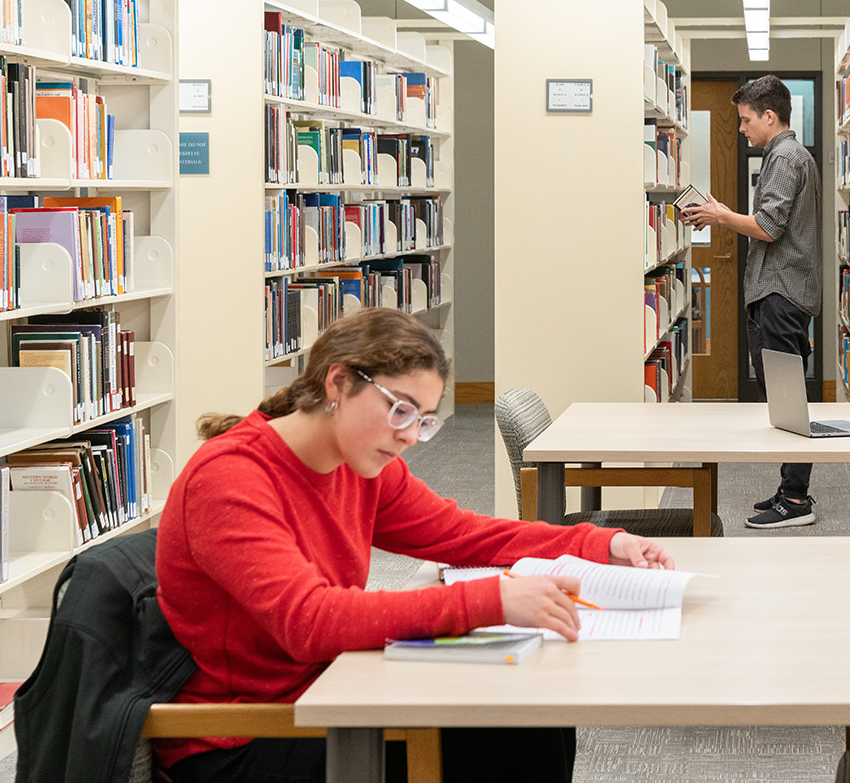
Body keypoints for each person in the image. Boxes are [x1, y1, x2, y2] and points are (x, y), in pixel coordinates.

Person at [154, 307, 674, 783]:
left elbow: (465, 534)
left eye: (422, 421)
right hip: (247, 737)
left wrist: (599, 542)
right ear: (337, 382)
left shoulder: (358, 462)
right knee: (514, 736)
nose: (408, 436)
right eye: (400, 410)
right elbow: (309, 622)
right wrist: (492, 601)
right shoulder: (230, 479)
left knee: (533, 706)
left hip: (336, 690)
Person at [683, 74, 823, 529]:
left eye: (746, 120)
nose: (741, 128)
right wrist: (722, 215)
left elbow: (768, 227)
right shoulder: (785, 155)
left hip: (781, 292)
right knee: (782, 396)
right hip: (779, 289)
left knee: (787, 397)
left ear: (769, 115)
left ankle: (797, 501)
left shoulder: (785, 156)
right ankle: (790, 489)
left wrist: (722, 217)